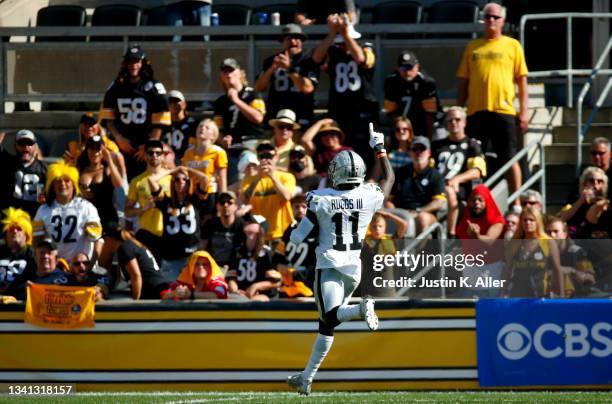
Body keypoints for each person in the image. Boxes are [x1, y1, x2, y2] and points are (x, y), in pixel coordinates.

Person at [287, 123, 394, 395]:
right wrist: (380, 149)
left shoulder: (320, 198)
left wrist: (292, 236)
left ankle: (360, 309)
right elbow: (388, 180)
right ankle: (307, 377)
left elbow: (299, 236)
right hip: (353, 268)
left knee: (330, 317)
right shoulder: (368, 195)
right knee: (327, 325)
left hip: (330, 265)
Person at [457, 2, 528, 208]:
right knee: (474, 158)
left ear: (503, 20)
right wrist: (459, 109)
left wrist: (523, 112)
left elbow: (522, 81)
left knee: (509, 158)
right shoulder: (473, 46)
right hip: (476, 111)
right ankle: (471, 200)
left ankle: (515, 203)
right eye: (487, 16)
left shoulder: (512, 45)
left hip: (503, 111)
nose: (491, 20)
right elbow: (463, 81)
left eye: (495, 17)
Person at [312, 13, 378, 165]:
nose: (342, 46)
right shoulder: (333, 52)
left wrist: (345, 35)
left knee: (365, 150)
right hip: (339, 109)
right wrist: (332, 33)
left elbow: (362, 60)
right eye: (340, 43)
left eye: (344, 42)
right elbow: (316, 58)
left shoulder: (367, 48)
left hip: (363, 110)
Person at [100, 44, 171, 179]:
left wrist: (148, 146)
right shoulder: (116, 86)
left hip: (145, 148)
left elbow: (160, 123)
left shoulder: (153, 87)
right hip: (122, 145)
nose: (133, 65)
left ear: (143, 63)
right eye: (130, 61)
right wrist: (119, 138)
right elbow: (109, 119)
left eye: (137, 61)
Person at [32, 162, 103, 262]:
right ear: (52, 186)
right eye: (58, 181)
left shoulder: (86, 208)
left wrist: (91, 266)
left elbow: (97, 240)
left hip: (80, 268)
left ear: (74, 185)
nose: (62, 184)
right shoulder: (43, 210)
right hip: (55, 269)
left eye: (66, 181)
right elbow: (36, 241)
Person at [432, 107, 486, 237]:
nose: (453, 123)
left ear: (464, 122)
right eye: (449, 120)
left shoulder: (472, 145)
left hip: (457, 191)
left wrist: (457, 179)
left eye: (457, 119)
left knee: (449, 191)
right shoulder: (437, 145)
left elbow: (477, 171)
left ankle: (451, 235)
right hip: (435, 187)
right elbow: (429, 168)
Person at [149, 166, 209, 280]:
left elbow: (205, 178)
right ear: (173, 182)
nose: (181, 182)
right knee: (171, 292)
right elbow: (151, 180)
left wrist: (187, 169)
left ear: (189, 182)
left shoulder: (195, 200)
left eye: (184, 180)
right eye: (177, 179)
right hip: (171, 257)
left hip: (191, 256)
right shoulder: (165, 202)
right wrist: (171, 172)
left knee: (191, 291)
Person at [255, 24, 319, 128]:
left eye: (297, 38)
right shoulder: (271, 60)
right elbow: (259, 87)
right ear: (283, 42)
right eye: (289, 38)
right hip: (276, 116)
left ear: (302, 41)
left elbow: (308, 88)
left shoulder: (310, 61)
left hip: (301, 116)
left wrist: (289, 69)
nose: (293, 42)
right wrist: (271, 69)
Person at [387, 136, 446, 236]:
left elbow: (439, 202)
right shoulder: (400, 173)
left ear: (429, 153)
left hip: (423, 213)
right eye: (414, 149)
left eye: (422, 149)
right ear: (410, 153)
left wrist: (418, 211)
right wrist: (395, 213)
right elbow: (389, 200)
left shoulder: (436, 175)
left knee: (422, 218)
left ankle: (417, 251)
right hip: (401, 213)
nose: (418, 152)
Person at [502, 206, 563, 298]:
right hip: (517, 295)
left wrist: (561, 294)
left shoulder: (548, 242)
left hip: (541, 295)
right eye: (524, 220)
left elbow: (557, 270)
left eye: (531, 220)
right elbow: (507, 270)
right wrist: (503, 292)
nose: (527, 223)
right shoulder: (514, 243)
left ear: (538, 221)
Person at [455, 185, 505, 297]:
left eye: (480, 200)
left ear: (487, 201)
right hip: (468, 275)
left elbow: (490, 239)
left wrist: (477, 236)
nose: (476, 203)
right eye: (473, 200)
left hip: (490, 274)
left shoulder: (497, 220)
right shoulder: (465, 219)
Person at [242, 142, 296, 243]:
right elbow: (245, 200)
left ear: (276, 157)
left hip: (283, 234)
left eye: (269, 156)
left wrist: (272, 175)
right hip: (259, 235)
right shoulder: (249, 180)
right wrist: (259, 176)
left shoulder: (287, 177)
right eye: (262, 156)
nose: (265, 159)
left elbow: (286, 197)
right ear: (258, 159)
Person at [125, 140, 172, 254]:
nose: (154, 156)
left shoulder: (172, 177)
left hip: (169, 233)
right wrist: (143, 208)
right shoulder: (137, 181)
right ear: (145, 155)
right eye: (150, 153)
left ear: (163, 155)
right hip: (146, 234)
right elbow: (127, 211)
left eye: (158, 153)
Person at [104, 223, 170, 300]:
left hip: (154, 292)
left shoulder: (124, 248)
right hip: (157, 287)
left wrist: (136, 301)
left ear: (109, 239)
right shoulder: (131, 244)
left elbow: (136, 275)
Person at [384, 50, 441, 138]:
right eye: (403, 68)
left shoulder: (426, 82)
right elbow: (391, 112)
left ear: (417, 66)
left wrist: (428, 140)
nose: (407, 72)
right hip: (401, 129)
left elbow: (430, 115)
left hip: (422, 127)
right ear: (397, 68)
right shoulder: (391, 82)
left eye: (410, 68)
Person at [76, 136, 126, 234]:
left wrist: (109, 160)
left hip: (106, 217)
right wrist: (82, 190)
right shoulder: (80, 169)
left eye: (98, 149)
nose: (95, 153)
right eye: (91, 149)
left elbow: (118, 185)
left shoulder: (107, 170)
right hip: (85, 216)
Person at [214, 58, 266, 150]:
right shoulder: (220, 101)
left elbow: (258, 118)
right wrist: (223, 140)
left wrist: (236, 100)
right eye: (224, 72)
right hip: (231, 146)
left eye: (231, 70)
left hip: (251, 142)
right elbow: (217, 129)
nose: (228, 74)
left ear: (240, 73)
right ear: (221, 76)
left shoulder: (253, 94)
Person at [181, 118, 227, 219]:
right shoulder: (188, 153)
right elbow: (185, 175)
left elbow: (222, 179)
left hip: (211, 194)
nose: (202, 128)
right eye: (200, 126)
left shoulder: (218, 152)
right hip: (192, 194)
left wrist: (222, 202)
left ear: (213, 135)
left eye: (207, 128)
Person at [226, 219, 282, 301]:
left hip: (264, 296)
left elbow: (276, 282)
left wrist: (255, 286)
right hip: (241, 294)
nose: (248, 224)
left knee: (253, 302)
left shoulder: (268, 254)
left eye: (253, 222)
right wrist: (235, 291)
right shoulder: (237, 252)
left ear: (261, 230)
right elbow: (231, 278)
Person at [0, 130, 48, 218]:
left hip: (35, 217)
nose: (25, 146)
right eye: (21, 143)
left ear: (35, 147)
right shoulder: (6, 164)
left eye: (29, 143)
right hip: (12, 218)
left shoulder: (45, 169)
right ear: (15, 146)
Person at [546, 217, 596, 297]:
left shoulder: (576, 252)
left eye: (556, 231)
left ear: (565, 234)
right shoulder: (543, 253)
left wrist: (571, 271)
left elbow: (590, 278)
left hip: (575, 298)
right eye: (549, 232)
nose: (552, 235)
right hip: (550, 298)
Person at [280, 194, 318, 292]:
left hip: (307, 282)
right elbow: (278, 255)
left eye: (304, 207)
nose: (300, 210)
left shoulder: (317, 231)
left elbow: (318, 263)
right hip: (287, 280)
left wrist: (298, 274)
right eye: (296, 207)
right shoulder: (288, 231)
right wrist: (279, 265)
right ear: (291, 209)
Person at [200, 191, 246, 270]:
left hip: (235, 268)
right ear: (217, 206)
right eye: (222, 202)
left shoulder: (241, 225)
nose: (225, 205)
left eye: (229, 202)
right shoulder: (210, 224)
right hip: (213, 267)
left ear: (236, 206)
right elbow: (202, 248)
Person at [558, 167, 608, 237]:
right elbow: (562, 218)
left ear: (603, 184)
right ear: (584, 183)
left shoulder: (604, 202)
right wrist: (581, 200)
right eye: (591, 181)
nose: (595, 184)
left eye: (599, 181)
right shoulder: (576, 199)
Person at [161, 251, 228, 300]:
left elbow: (221, 294)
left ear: (210, 267)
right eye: (196, 264)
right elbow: (163, 295)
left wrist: (191, 295)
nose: (201, 267)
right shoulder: (184, 280)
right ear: (191, 267)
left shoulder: (217, 281)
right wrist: (174, 293)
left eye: (204, 264)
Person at [0, 208, 36, 300]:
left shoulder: (32, 253)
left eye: (19, 229)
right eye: (11, 228)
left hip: (19, 304)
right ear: (6, 234)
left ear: (26, 234)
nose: (15, 231)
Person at [567, 137, 611, 202]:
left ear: (610, 154)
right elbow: (571, 201)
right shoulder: (585, 175)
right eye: (593, 153)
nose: (597, 157)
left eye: (601, 153)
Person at [162, 90, 198, 163]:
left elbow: (194, 148)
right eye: (170, 102)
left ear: (184, 104)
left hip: (187, 162)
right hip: (167, 162)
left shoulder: (193, 124)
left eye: (176, 101)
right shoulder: (163, 125)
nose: (173, 104)